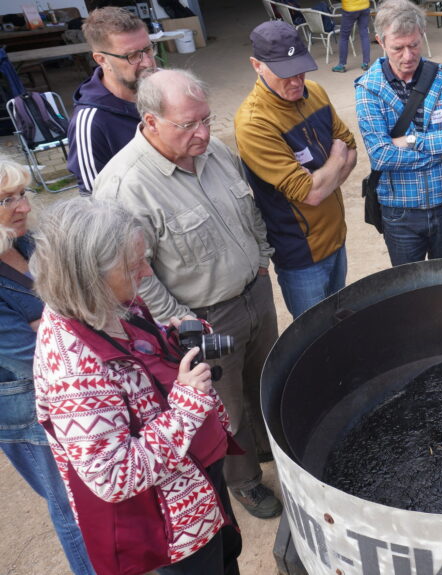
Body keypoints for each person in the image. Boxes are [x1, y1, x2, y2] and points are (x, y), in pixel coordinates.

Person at [92, 69, 283, 520]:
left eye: (206, 119)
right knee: (224, 408)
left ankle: (265, 448)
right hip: (203, 316)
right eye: (188, 124)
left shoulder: (213, 150)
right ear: (151, 121)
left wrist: (259, 259)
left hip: (254, 294)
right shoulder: (124, 187)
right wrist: (183, 321)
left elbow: (248, 210)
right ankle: (245, 482)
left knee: (265, 377)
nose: (203, 133)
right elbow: (134, 276)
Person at [31, 198, 242, 575]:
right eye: (134, 265)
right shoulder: (73, 371)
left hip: (193, 482)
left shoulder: (98, 304)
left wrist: (167, 341)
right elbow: (113, 477)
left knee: (225, 559)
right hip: (173, 523)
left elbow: (130, 360)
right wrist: (186, 407)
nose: (146, 272)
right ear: (87, 276)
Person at [0, 163, 94, 575]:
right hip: (28, 411)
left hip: (65, 388)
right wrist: (62, 319)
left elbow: (78, 298)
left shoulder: (25, 243)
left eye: (22, 194)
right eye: (6, 200)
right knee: (70, 506)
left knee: (92, 492)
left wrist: (49, 321)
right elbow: (31, 353)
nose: (22, 207)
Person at [236, 21, 359, 318]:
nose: (296, 81)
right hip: (302, 256)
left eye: (301, 69)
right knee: (312, 339)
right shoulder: (255, 123)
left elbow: (351, 149)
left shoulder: (314, 91)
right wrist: (334, 161)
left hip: (336, 239)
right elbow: (312, 194)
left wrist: (325, 177)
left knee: (339, 325)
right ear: (257, 65)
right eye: (284, 73)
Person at [355, 0, 442, 266]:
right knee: (410, 291)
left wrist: (411, 141)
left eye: (414, 45)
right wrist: (441, 150)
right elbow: (381, 157)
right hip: (401, 214)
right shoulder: (368, 89)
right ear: (381, 42)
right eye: (398, 48)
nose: (408, 56)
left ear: (422, 36)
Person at [67, 7, 157, 196]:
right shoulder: (91, 122)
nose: (148, 62)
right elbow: (95, 202)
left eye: (148, 49)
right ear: (102, 60)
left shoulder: (166, 86)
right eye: (132, 56)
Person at [332, 0, 372, 73]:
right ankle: (366, 63)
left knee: (344, 37)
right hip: (364, 6)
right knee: (364, 34)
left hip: (350, 8)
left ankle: (341, 65)